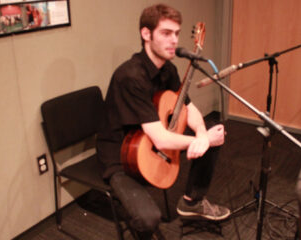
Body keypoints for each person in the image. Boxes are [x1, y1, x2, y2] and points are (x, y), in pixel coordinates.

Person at [96, 3, 230, 239]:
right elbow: (159, 136)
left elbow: (189, 107)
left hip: (150, 142)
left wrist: (201, 134)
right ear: (146, 34)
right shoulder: (130, 77)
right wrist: (200, 141)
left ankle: (192, 200)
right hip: (123, 155)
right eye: (166, 33)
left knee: (212, 131)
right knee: (149, 220)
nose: (174, 41)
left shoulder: (168, 70)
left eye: (176, 34)